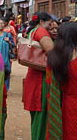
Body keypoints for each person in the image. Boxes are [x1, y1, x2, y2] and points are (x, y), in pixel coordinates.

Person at [23, 11, 54, 140]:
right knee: (41, 117)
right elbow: (52, 52)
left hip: (34, 75)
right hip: (41, 79)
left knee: (37, 117)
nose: (51, 27)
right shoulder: (41, 32)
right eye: (49, 24)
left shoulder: (32, 31)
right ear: (41, 22)